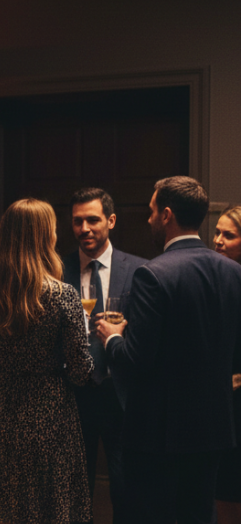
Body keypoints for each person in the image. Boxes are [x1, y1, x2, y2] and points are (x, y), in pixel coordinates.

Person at [97, 177, 241, 524]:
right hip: (213, 427)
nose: (148, 219)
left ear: (166, 215)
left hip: (158, 433)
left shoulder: (153, 274)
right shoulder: (234, 272)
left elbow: (135, 360)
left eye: (151, 211)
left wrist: (113, 338)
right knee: (199, 515)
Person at [0, 198, 93, 524]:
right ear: (44, 236)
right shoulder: (63, 295)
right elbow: (81, 371)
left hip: (2, 409)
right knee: (51, 509)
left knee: (8, 509)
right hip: (51, 411)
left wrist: (4, 373)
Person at [60, 188, 147, 524]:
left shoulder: (139, 270)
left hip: (120, 391)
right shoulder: (57, 270)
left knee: (125, 486)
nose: (84, 228)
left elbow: (148, 333)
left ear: (110, 220)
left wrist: (124, 331)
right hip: (73, 392)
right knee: (75, 488)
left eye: (93, 220)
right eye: (77, 221)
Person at [213, 205, 241, 523]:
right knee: (224, 489)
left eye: (228, 235)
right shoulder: (219, 279)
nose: (218, 240)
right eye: (217, 232)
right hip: (223, 403)